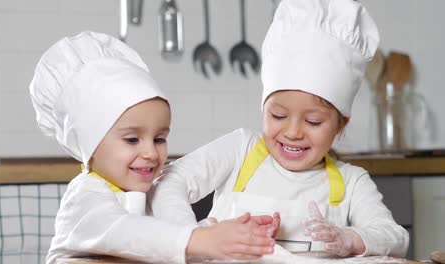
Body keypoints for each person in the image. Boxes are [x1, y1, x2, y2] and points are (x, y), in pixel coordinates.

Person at [151, 0, 409, 258]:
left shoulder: (352, 181)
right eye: (278, 115)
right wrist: (195, 236)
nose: (293, 132)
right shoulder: (241, 150)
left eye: (313, 122)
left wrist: (349, 239)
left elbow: (395, 237)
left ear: (341, 124)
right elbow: (169, 180)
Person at [29, 31, 277, 264]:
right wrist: (201, 240)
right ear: (91, 146)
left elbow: (174, 240)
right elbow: (126, 233)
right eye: (132, 139)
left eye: (159, 139)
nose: (150, 153)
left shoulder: (152, 195)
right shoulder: (85, 198)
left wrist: (235, 236)